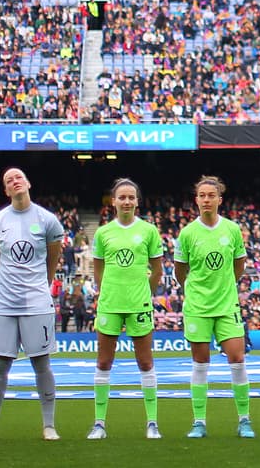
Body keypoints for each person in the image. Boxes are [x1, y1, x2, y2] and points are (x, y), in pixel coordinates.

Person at [0, 167, 66, 442]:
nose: (14, 182)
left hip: (37, 302)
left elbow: (53, 260)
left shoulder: (48, 220)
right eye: (8, 180)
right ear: (5, 190)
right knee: (0, 367)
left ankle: (49, 426)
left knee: (42, 364)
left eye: (18, 177)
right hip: (3, 303)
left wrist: (40, 285)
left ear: (28, 182)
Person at [174, 175, 253, 438]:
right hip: (198, 306)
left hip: (226, 304)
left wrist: (225, 285)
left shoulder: (231, 230)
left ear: (220, 199)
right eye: (202, 195)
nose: (206, 199)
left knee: (237, 359)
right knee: (200, 362)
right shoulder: (187, 233)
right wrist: (198, 291)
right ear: (196, 200)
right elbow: (180, 271)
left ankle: (244, 420)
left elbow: (238, 265)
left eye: (211, 195)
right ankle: (199, 422)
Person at [86, 177, 165, 440]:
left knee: (145, 361)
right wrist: (110, 291)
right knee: (104, 361)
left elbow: (157, 270)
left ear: (137, 201)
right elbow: (98, 272)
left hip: (138, 304)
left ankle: (152, 423)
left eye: (131, 197)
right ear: (114, 201)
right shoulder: (103, 233)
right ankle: (99, 424)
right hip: (110, 304)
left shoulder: (149, 231)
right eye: (122, 197)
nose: (127, 201)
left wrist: (144, 292)